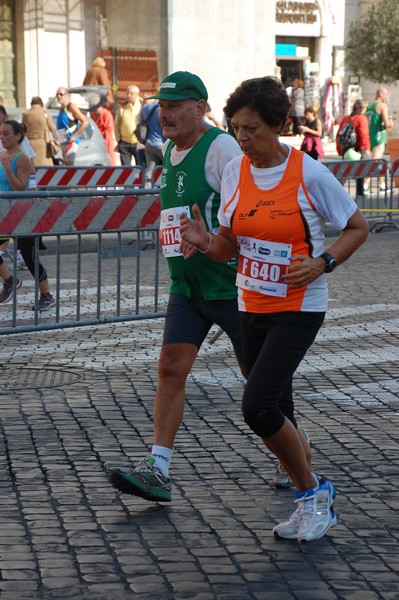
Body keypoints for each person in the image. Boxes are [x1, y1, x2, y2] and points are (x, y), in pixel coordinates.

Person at [179, 76, 368, 542]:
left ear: (279, 126)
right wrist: (205, 242)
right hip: (250, 304)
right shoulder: (234, 172)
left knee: (257, 406)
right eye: (237, 128)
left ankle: (314, 492)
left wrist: (322, 262)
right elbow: (229, 244)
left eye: (253, 129)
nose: (243, 138)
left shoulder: (308, 173)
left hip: (299, 306)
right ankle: (309, 492)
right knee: (278, 407)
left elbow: (357, 226)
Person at [110, 71, 244, 502]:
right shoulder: (168, 150)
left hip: (232, 285)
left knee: (259, 379)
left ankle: (294, 457)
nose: (163, 114)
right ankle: (158, 468)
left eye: (174, 106)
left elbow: (245, 208)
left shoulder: (221, 147)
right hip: (186, 286)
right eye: (161, 106)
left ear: (200, 108)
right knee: (170, 367)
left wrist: (212, 236)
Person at [0, 120, 56, 310]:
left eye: (6, 133)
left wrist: (8, 167)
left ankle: (46, 295)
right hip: (4, 214)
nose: (2, 136)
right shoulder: (3, 156)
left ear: (17, 136)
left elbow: (20, 188)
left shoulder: (22, 159)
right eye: (1, 133)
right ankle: (9, 281)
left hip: (22, 213)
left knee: (29, 256)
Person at [336, 99, 370, 197]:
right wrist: (365, 149)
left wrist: (340, 150)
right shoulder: (362, 118)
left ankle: (336, 193)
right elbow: (364, 134)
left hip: (346, 149)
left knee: (345, 172)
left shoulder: (346, 118)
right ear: (362, 108)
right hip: (358, 149)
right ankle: (360, 193)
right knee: (361, 171)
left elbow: (339, 135)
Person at [364, 87, 393, 193]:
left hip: (371, 135)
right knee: (375, 161)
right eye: (386, 94)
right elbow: (386, 124)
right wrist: (391, 123)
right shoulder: (382, 105)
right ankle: (365, 185)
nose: (387, 96)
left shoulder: (370, 105)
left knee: (378, 160)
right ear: (381, 94)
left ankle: (382, 185)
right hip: (380, 136)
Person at [55, 87, 89, 165]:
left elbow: (85, 122)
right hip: (64, 142)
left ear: (66, 95)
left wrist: (74, 135)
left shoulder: (71, 107)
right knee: (66, 166)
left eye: (61, 94)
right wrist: (59, 140)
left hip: (71, 141)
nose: (59, 96)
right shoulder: (61, 109)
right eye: (57, 95)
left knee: (69, 165)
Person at [137, 99, 166, 184]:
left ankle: (148, 192)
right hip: (163, 144)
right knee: (169, 170)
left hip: (149, 143)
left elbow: (139, 122)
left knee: (150, 170)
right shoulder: (164, 108)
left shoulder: (146, 107)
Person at [22, 96, 57, 166]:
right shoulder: (45, 113)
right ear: (41, 104)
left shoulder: (25, 114)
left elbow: (23, 129)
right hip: (43, 143)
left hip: (30, 143)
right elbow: (52, 128)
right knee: (45, 167)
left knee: (32, 165)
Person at [114, 84, 142, 166]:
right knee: (126, 169)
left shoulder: (143, 104)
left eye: (131, 93)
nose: (129, 96)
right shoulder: (122, 107)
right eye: (127, 94)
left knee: (140, 167)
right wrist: (118, 140)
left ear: (137, 94)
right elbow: (116, 125)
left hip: (138, 142)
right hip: (124, 143)